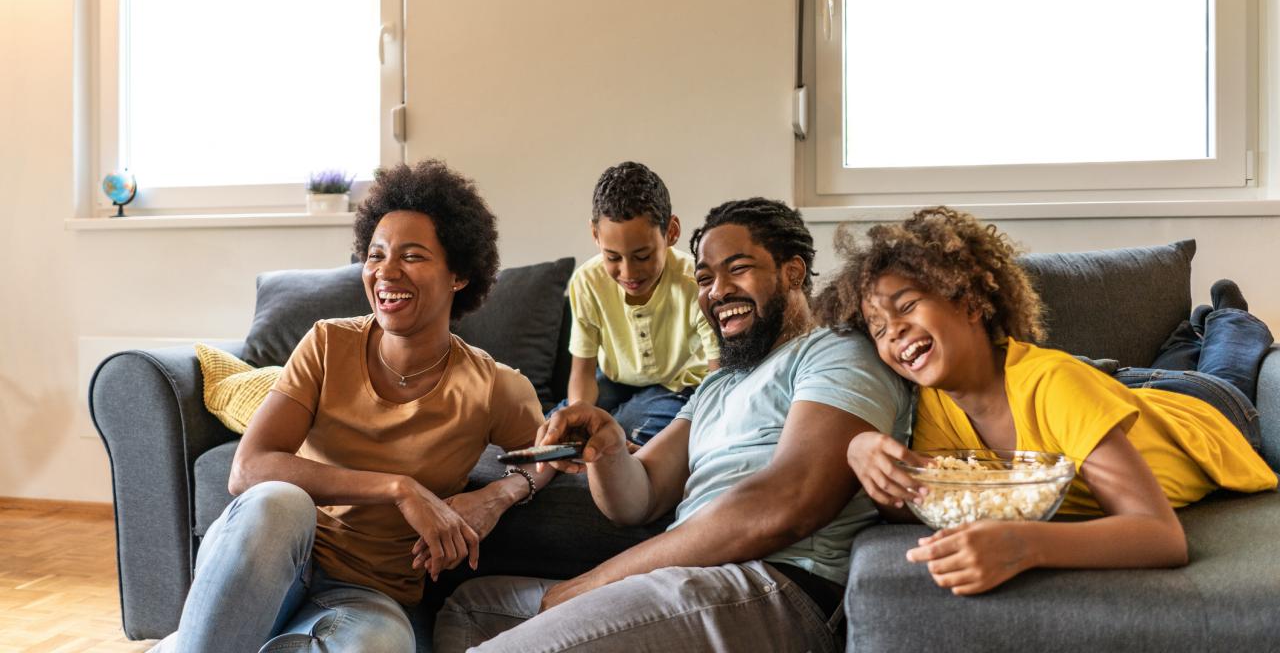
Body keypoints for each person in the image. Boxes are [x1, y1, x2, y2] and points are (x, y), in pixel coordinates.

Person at [433, 198, 912, 653]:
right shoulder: (718, 385)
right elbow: (639, 498)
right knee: (472, 610)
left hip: (773, 584)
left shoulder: (836, 351)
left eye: (738, 269)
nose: (718, 291)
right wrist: (609, 445)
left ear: (792, 271)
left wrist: (593, 583)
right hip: (689, 581)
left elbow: (786, 502)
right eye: (705, 277)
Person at [152, 161, 556, 653]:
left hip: (369, 597)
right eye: (376, 254)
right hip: (276, 564)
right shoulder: (327, 343)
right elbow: (248, 469)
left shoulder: (493, 385)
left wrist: (498, 496)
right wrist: (398, 489)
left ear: (460, 274)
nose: (386, 271)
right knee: (276, 502)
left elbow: (551, 454)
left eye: (412, 256)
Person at [815, 206, 1278, 596]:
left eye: (907, 305)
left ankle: (1229, 316)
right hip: (1112, 394)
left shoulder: (1054, 385)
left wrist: (1024, 545)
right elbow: (926, 501)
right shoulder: (936, 404)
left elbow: (1161, 537)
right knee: (1147, 366)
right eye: (877, 327)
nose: (891, 329)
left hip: (1202, 411)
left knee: (1220, 367)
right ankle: (1182, 338)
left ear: (971, 304)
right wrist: (860, 452)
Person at [559, 161, 720, 445]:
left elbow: (718, 372)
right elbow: (582, 372)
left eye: (643, 256)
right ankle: (516, 484)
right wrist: (580, 413)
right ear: (595, 235)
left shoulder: (696, 282)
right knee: (560, 429)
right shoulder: (587, 281)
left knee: (624, 433)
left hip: (678, 384)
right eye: (613, 257)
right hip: (612, 382)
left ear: (671, 232)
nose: (629, 273)